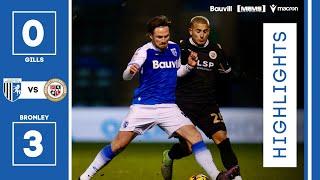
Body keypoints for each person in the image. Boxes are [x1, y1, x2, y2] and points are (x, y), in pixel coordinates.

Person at [79, 15, 230, 180]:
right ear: (150, 36)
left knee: (195, 138)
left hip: (168, 106)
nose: (164, 40)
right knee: (118, 146)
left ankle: (217, 176)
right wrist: (131, 71)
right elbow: (125, 76)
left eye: (166, 36)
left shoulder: (174, 49)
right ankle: (85, 177)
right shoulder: (144, 51)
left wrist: (189, 67)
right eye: (159, 37)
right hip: (144, 106)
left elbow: (176, 73)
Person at [161, 16, 242, 180]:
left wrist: (238, 76)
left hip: (207, 104)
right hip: (183, 106)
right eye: (198, 31)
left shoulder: (216, 50)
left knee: (222, 138)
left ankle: (237, 179)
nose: (202, 35)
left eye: (205, 31)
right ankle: (169, 155)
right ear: (190, 31)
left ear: (209, 32)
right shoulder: (180, 49)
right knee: (189, 148)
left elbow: (226, 73)